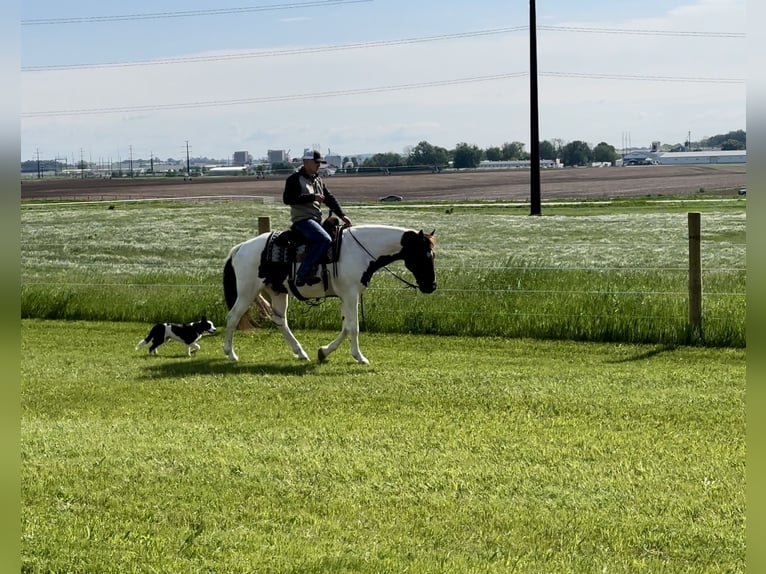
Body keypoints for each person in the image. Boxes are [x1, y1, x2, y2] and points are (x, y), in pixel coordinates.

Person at [283, 150, 352, 286]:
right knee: (324, 239)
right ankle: (302, 274)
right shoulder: (294, 179)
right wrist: (312, 197)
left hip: (316, 220)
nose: (319, 166)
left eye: (320, 163)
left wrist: (342, 215)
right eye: (317, 162)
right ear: (306, 162)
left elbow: (329, 198)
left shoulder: (318, 179)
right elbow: (287, 199)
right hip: (303, 220)